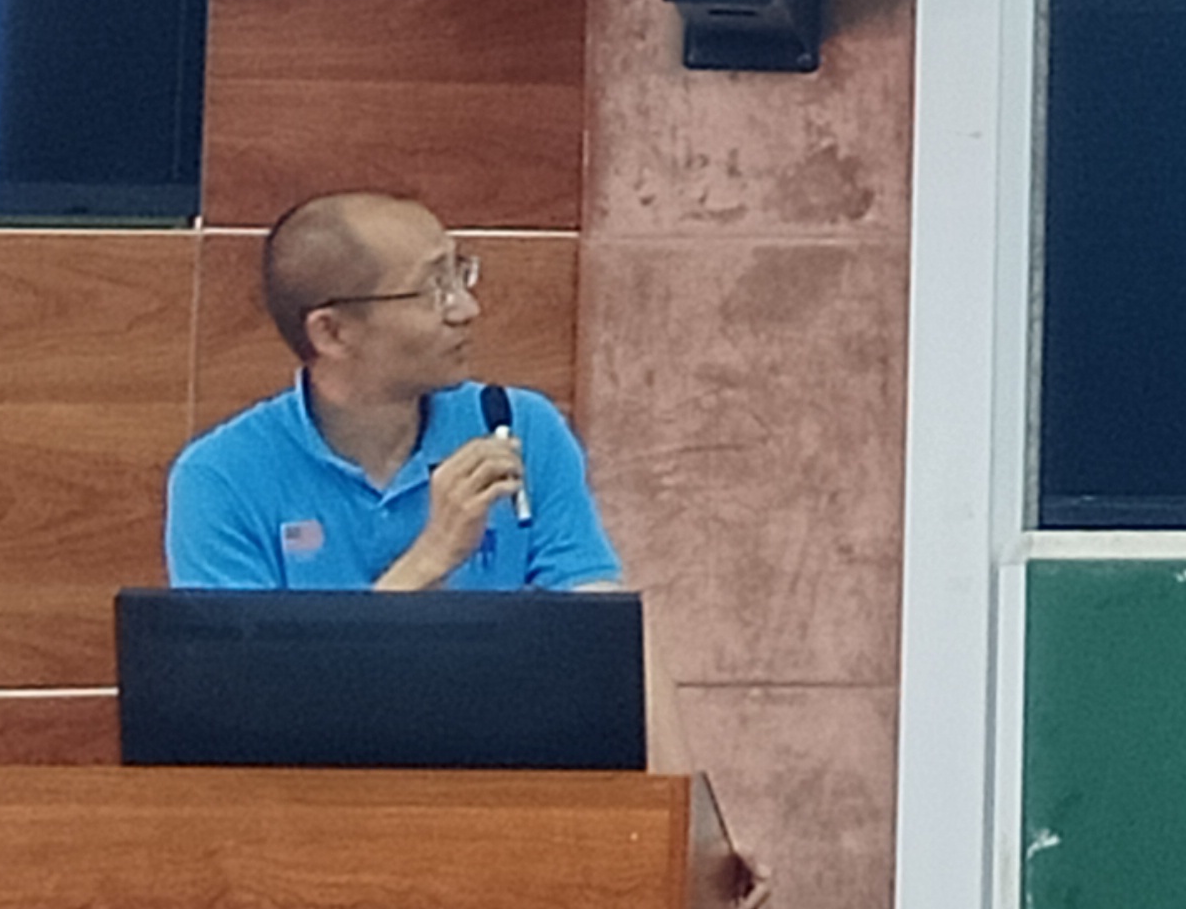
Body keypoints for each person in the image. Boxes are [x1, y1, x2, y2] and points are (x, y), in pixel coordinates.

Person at [166, 190, 765, 904]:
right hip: (314, 844)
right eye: (433, 288)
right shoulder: (221, 477)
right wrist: (432, 556)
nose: (466, 308)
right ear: (332, 331)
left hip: (512, 828)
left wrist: (690, 844)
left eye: (461, 273)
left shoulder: (518, 426)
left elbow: (613, 631)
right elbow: (255, 721)